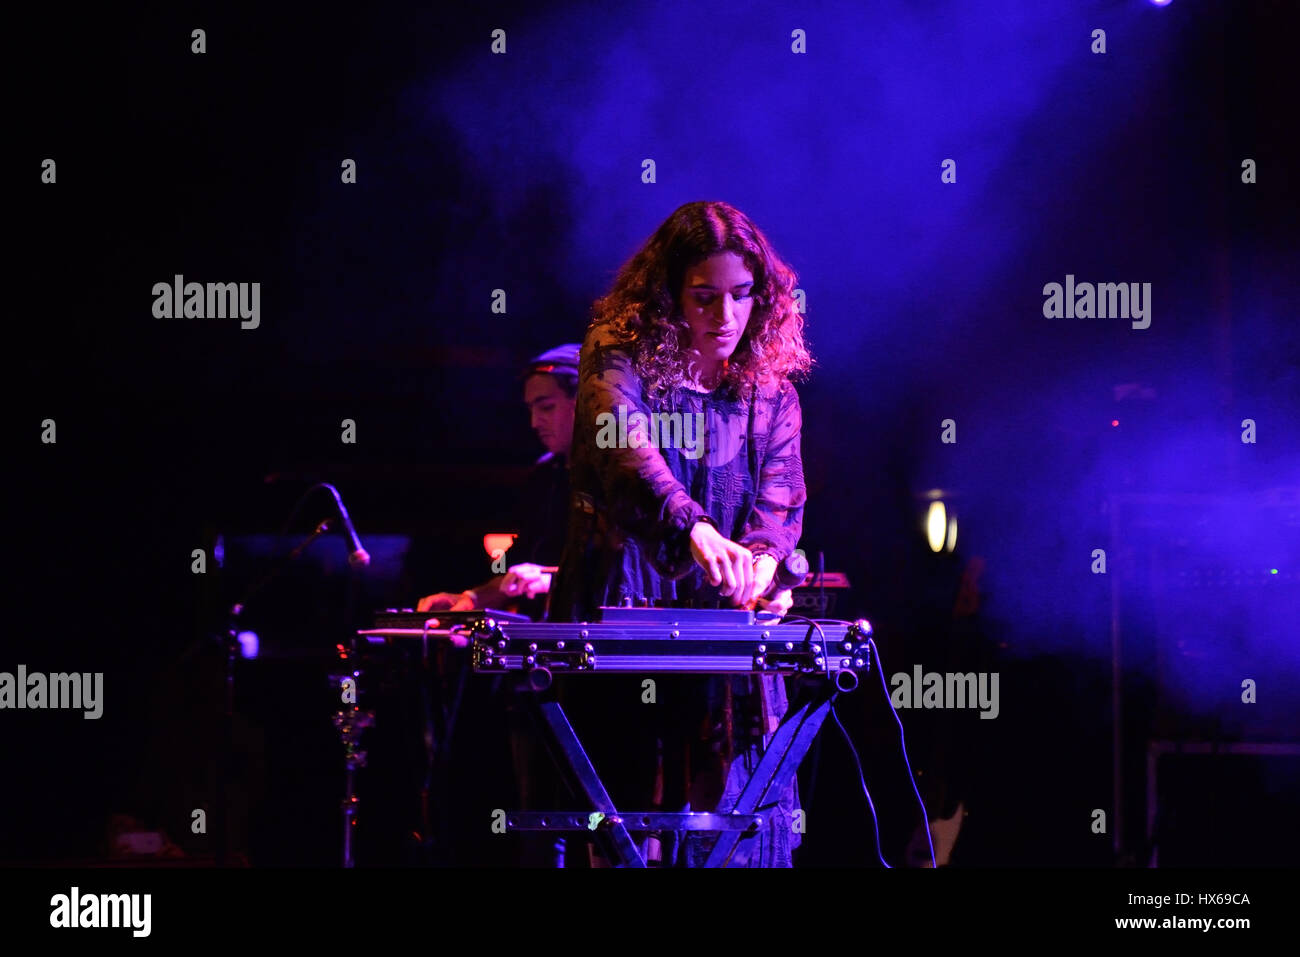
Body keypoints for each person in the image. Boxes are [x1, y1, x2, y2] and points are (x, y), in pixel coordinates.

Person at [548, 200, 811, 867]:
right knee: (626, 827)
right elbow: (623, 453)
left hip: (723, 655)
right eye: (704, 296)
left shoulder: (773, 392)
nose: (725, 317)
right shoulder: (617, 351)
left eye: (742, 296)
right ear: (669, 293)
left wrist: (761, 562)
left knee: (733, 833)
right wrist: (693, 527)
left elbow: (778, 508)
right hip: (619, 630)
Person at [416, 344, 579, 618]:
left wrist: (551, 579)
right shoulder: (545, 475)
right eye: (530, 409)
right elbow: (515, 572)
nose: (534, 423)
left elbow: (633, 575)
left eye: (547, 407)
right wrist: (470, 599)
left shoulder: (621, 475)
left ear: (588, 403)